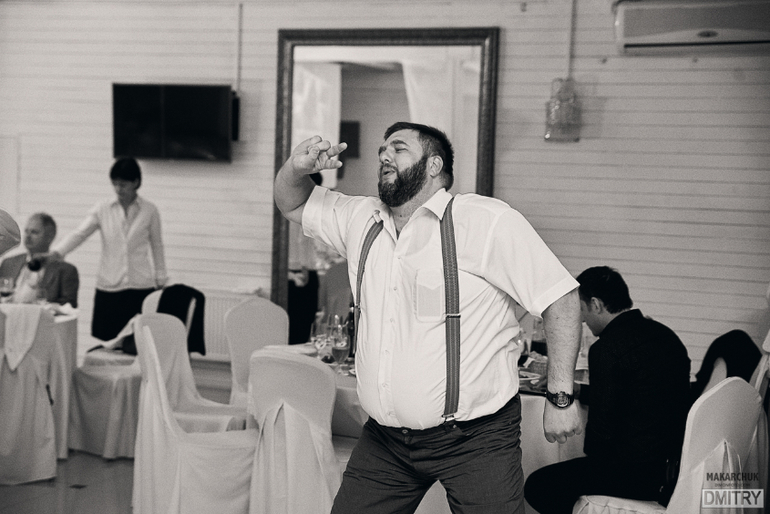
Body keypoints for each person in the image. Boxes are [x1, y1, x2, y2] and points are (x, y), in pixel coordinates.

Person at [274, 121, 583, 513]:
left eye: (399, 148)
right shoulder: (360, 218)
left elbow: (561, 299)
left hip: (476, 440)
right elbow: (292, 203)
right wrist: (295, 169)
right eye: (382, 150)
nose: (385, 155)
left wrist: (560, 397)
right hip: (386, 441)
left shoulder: (486, 221)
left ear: (434, 165)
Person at [524, 266, 691, 513]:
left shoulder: (607, 349)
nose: (581, 320)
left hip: (634, 474)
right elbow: (641, 396)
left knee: (538, 485)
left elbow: (598, 440)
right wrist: (579, 390)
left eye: (581, 309)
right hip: (673, 468)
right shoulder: (665, 335)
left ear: (595, 304)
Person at [51, 157, 167, 343]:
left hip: (140, 285)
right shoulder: (103, 208)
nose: (119, 189)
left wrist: (161, 277)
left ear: (136, 182)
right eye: (115, 184)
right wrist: (57, 252)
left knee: (138, 342)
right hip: (110, 284)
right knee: (108, 342)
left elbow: (157, 245)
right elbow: (80, 234)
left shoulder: (150, 210)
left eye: (123, 184)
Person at [0, 212, 79, 307]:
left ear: (50, 236)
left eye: (34, 232)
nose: (28, 236)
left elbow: (68, 307)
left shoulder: (66, 271)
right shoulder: (8, 263)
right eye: (26, 231)